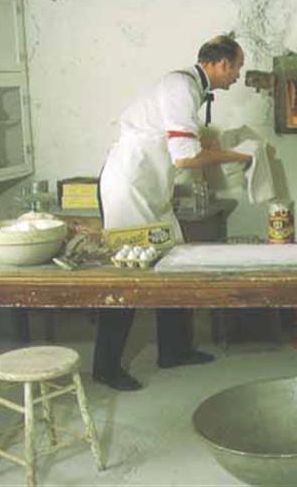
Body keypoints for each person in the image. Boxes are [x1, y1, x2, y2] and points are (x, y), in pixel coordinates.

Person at [93, 35, 252, 391]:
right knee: (128, 274)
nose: (238, 76)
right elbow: (184, 158)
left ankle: (174, 350)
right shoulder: (180, 87)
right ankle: (105, 367)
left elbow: (182, 144)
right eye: (238, 67)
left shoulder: (189, 88)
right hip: (128, 189)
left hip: (151, 189)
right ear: (222, 63)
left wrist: (220, 146)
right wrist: (240, 158)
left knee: (174, 264)